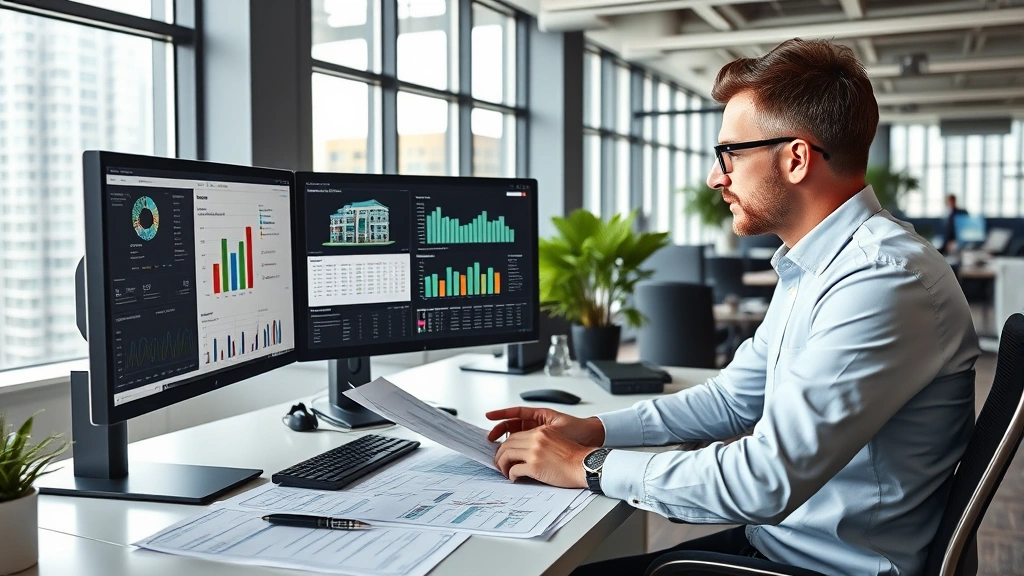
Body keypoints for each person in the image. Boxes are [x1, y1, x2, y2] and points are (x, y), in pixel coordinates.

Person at [486, 38, 979, 576]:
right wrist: (596, 431)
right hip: (784, 543)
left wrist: (588, 467)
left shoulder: (881, 280)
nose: (715, 176)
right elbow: (732, 400)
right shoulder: (818, 265)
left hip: (826, 568)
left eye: (730, 153)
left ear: (795, 158)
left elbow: (764, 479)